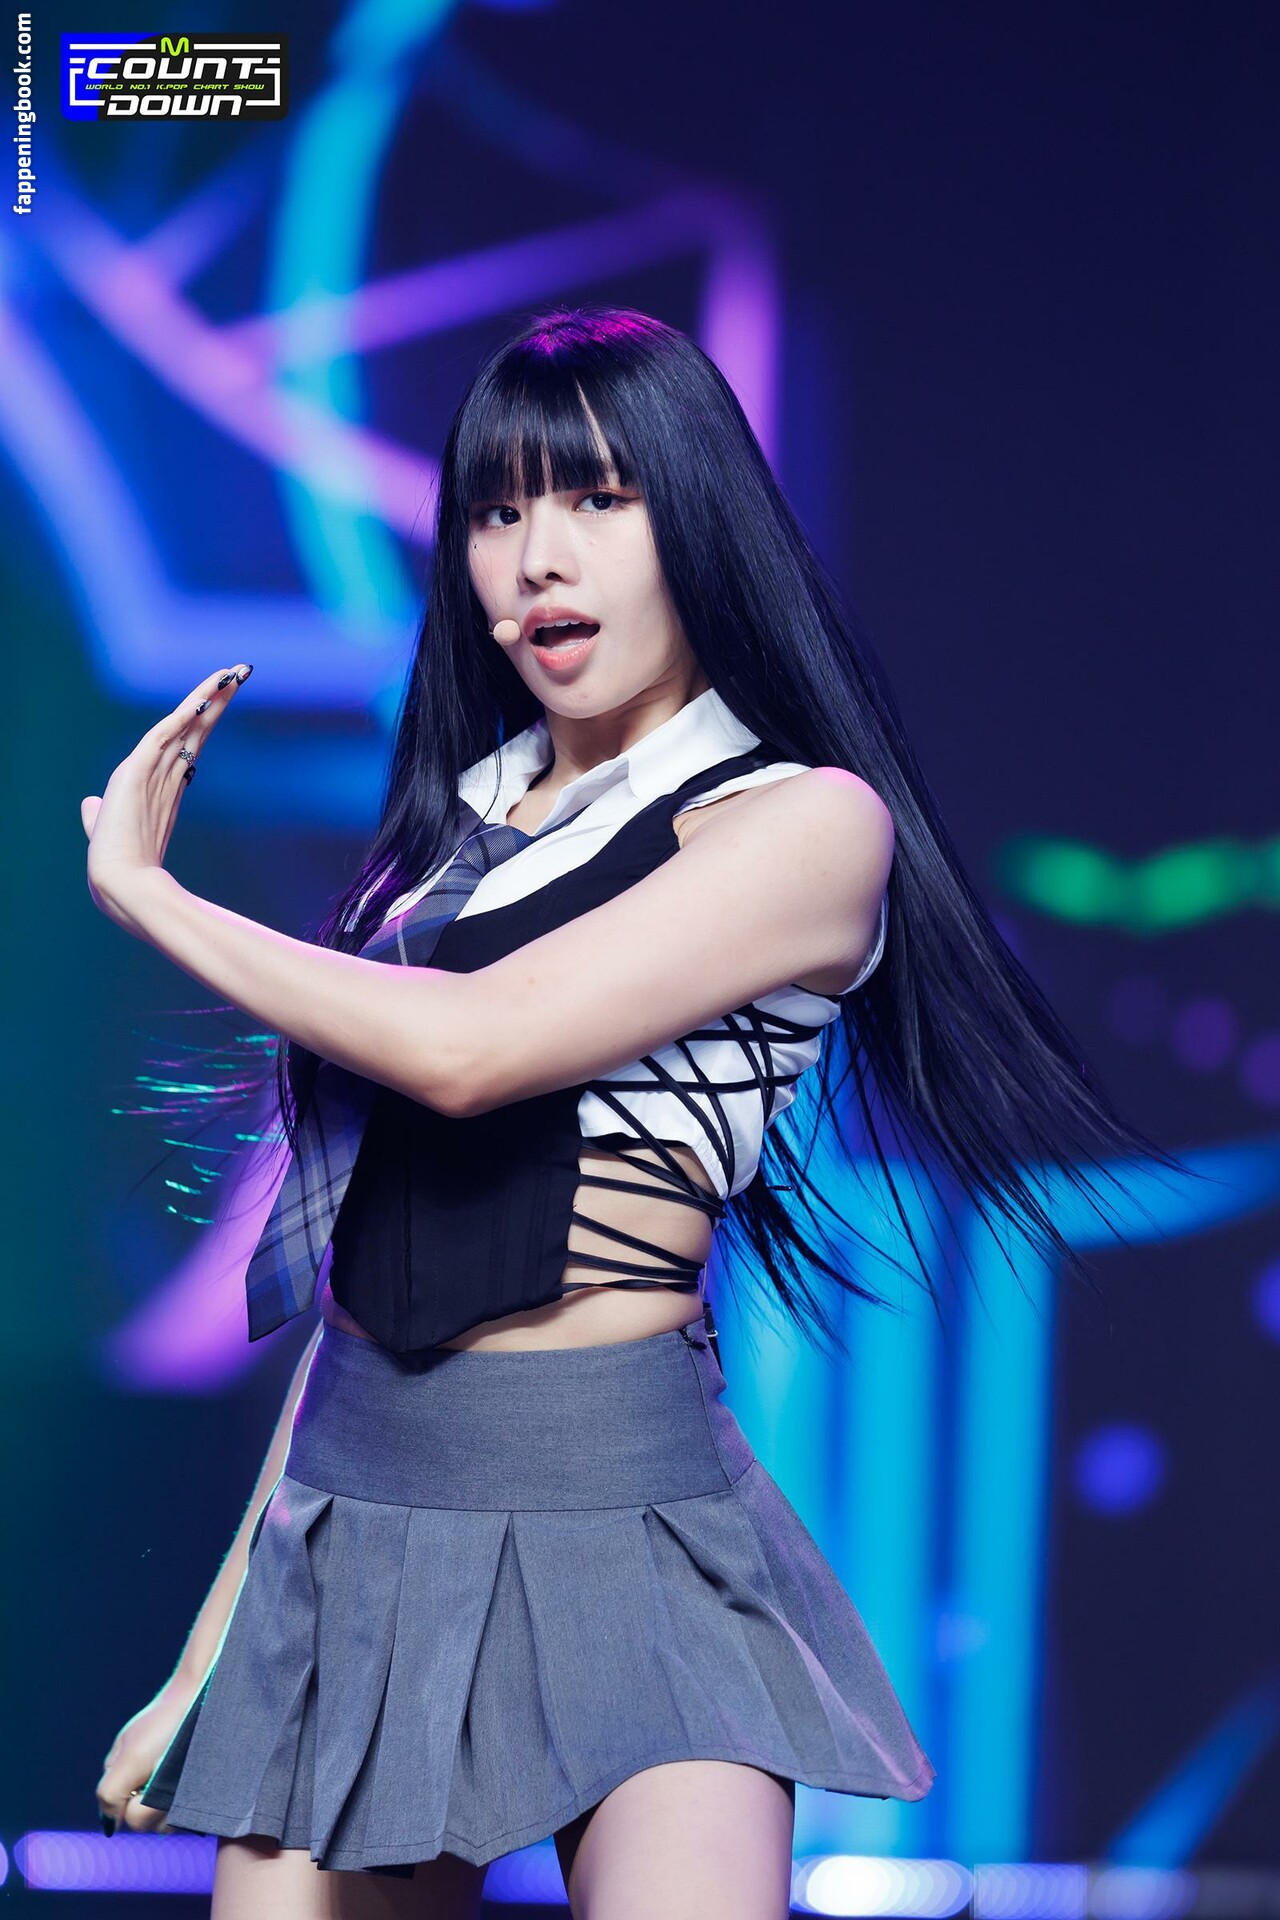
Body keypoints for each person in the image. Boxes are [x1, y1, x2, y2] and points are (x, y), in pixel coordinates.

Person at [85, 307, 1181, 1919]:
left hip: (626, 1508)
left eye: (600, 499)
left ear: (699, 519)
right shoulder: (437, 857)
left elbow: (473, 1053)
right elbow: (357, 1287)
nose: (539, 557)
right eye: (496, 510)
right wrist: (208, 1655)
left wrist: (146, 891)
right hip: (355, 1515)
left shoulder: (802, 825)